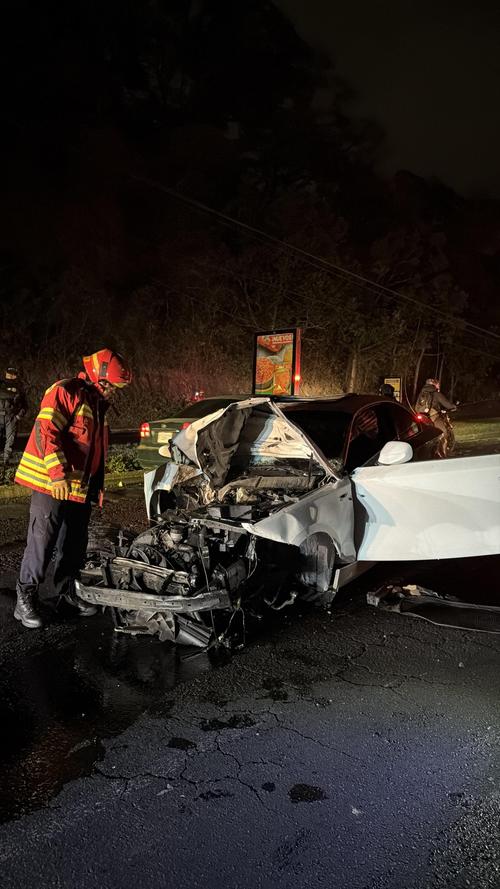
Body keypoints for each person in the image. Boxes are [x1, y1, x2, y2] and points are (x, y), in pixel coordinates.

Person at [13, 349, 132, 628]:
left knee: (74, 542)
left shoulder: (95, 402)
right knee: (42, 540)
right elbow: (46, 433)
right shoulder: (65, 391)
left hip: (79, 488)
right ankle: (25, 596)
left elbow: (94, 452)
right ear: (97, 376)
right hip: (50, 483)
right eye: (110, 386)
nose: (112, 392)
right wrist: (57, 476)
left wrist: (95, 488)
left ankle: (66, 592)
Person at [415, 377, 456, 458]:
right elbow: (447, 404)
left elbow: (416, 407)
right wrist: (453, 406)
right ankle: (443, 454)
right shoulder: (435, 393)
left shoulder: (421, 393)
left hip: (422, 418)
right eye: (437, 384)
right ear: (433, 384)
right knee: (443, 432)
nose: (438, 386)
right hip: (433, 417)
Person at [0, 367, 28, 473]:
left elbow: (25, 406)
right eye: (9, 373)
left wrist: (18, 417)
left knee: (10, 440)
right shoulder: (1, 384)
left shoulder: (20, 388)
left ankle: (5, 461)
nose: (11, 376)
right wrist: (13, 395)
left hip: (11, 416)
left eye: (13, 374)